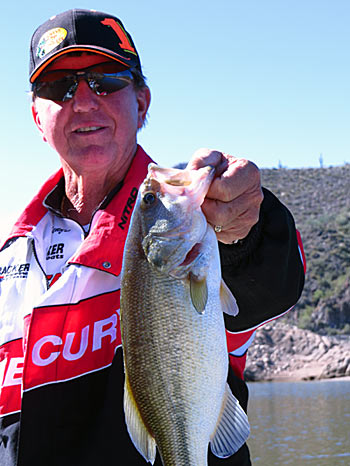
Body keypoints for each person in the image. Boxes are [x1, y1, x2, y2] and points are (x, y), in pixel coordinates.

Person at [0, 8, 305, 466]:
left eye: (105, 79)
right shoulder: (9, 263)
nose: (83, 100)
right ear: (36, 118)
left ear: (142, 102)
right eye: (58, 87)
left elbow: (268, 278)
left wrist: (243, 228)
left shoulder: (199, 217)